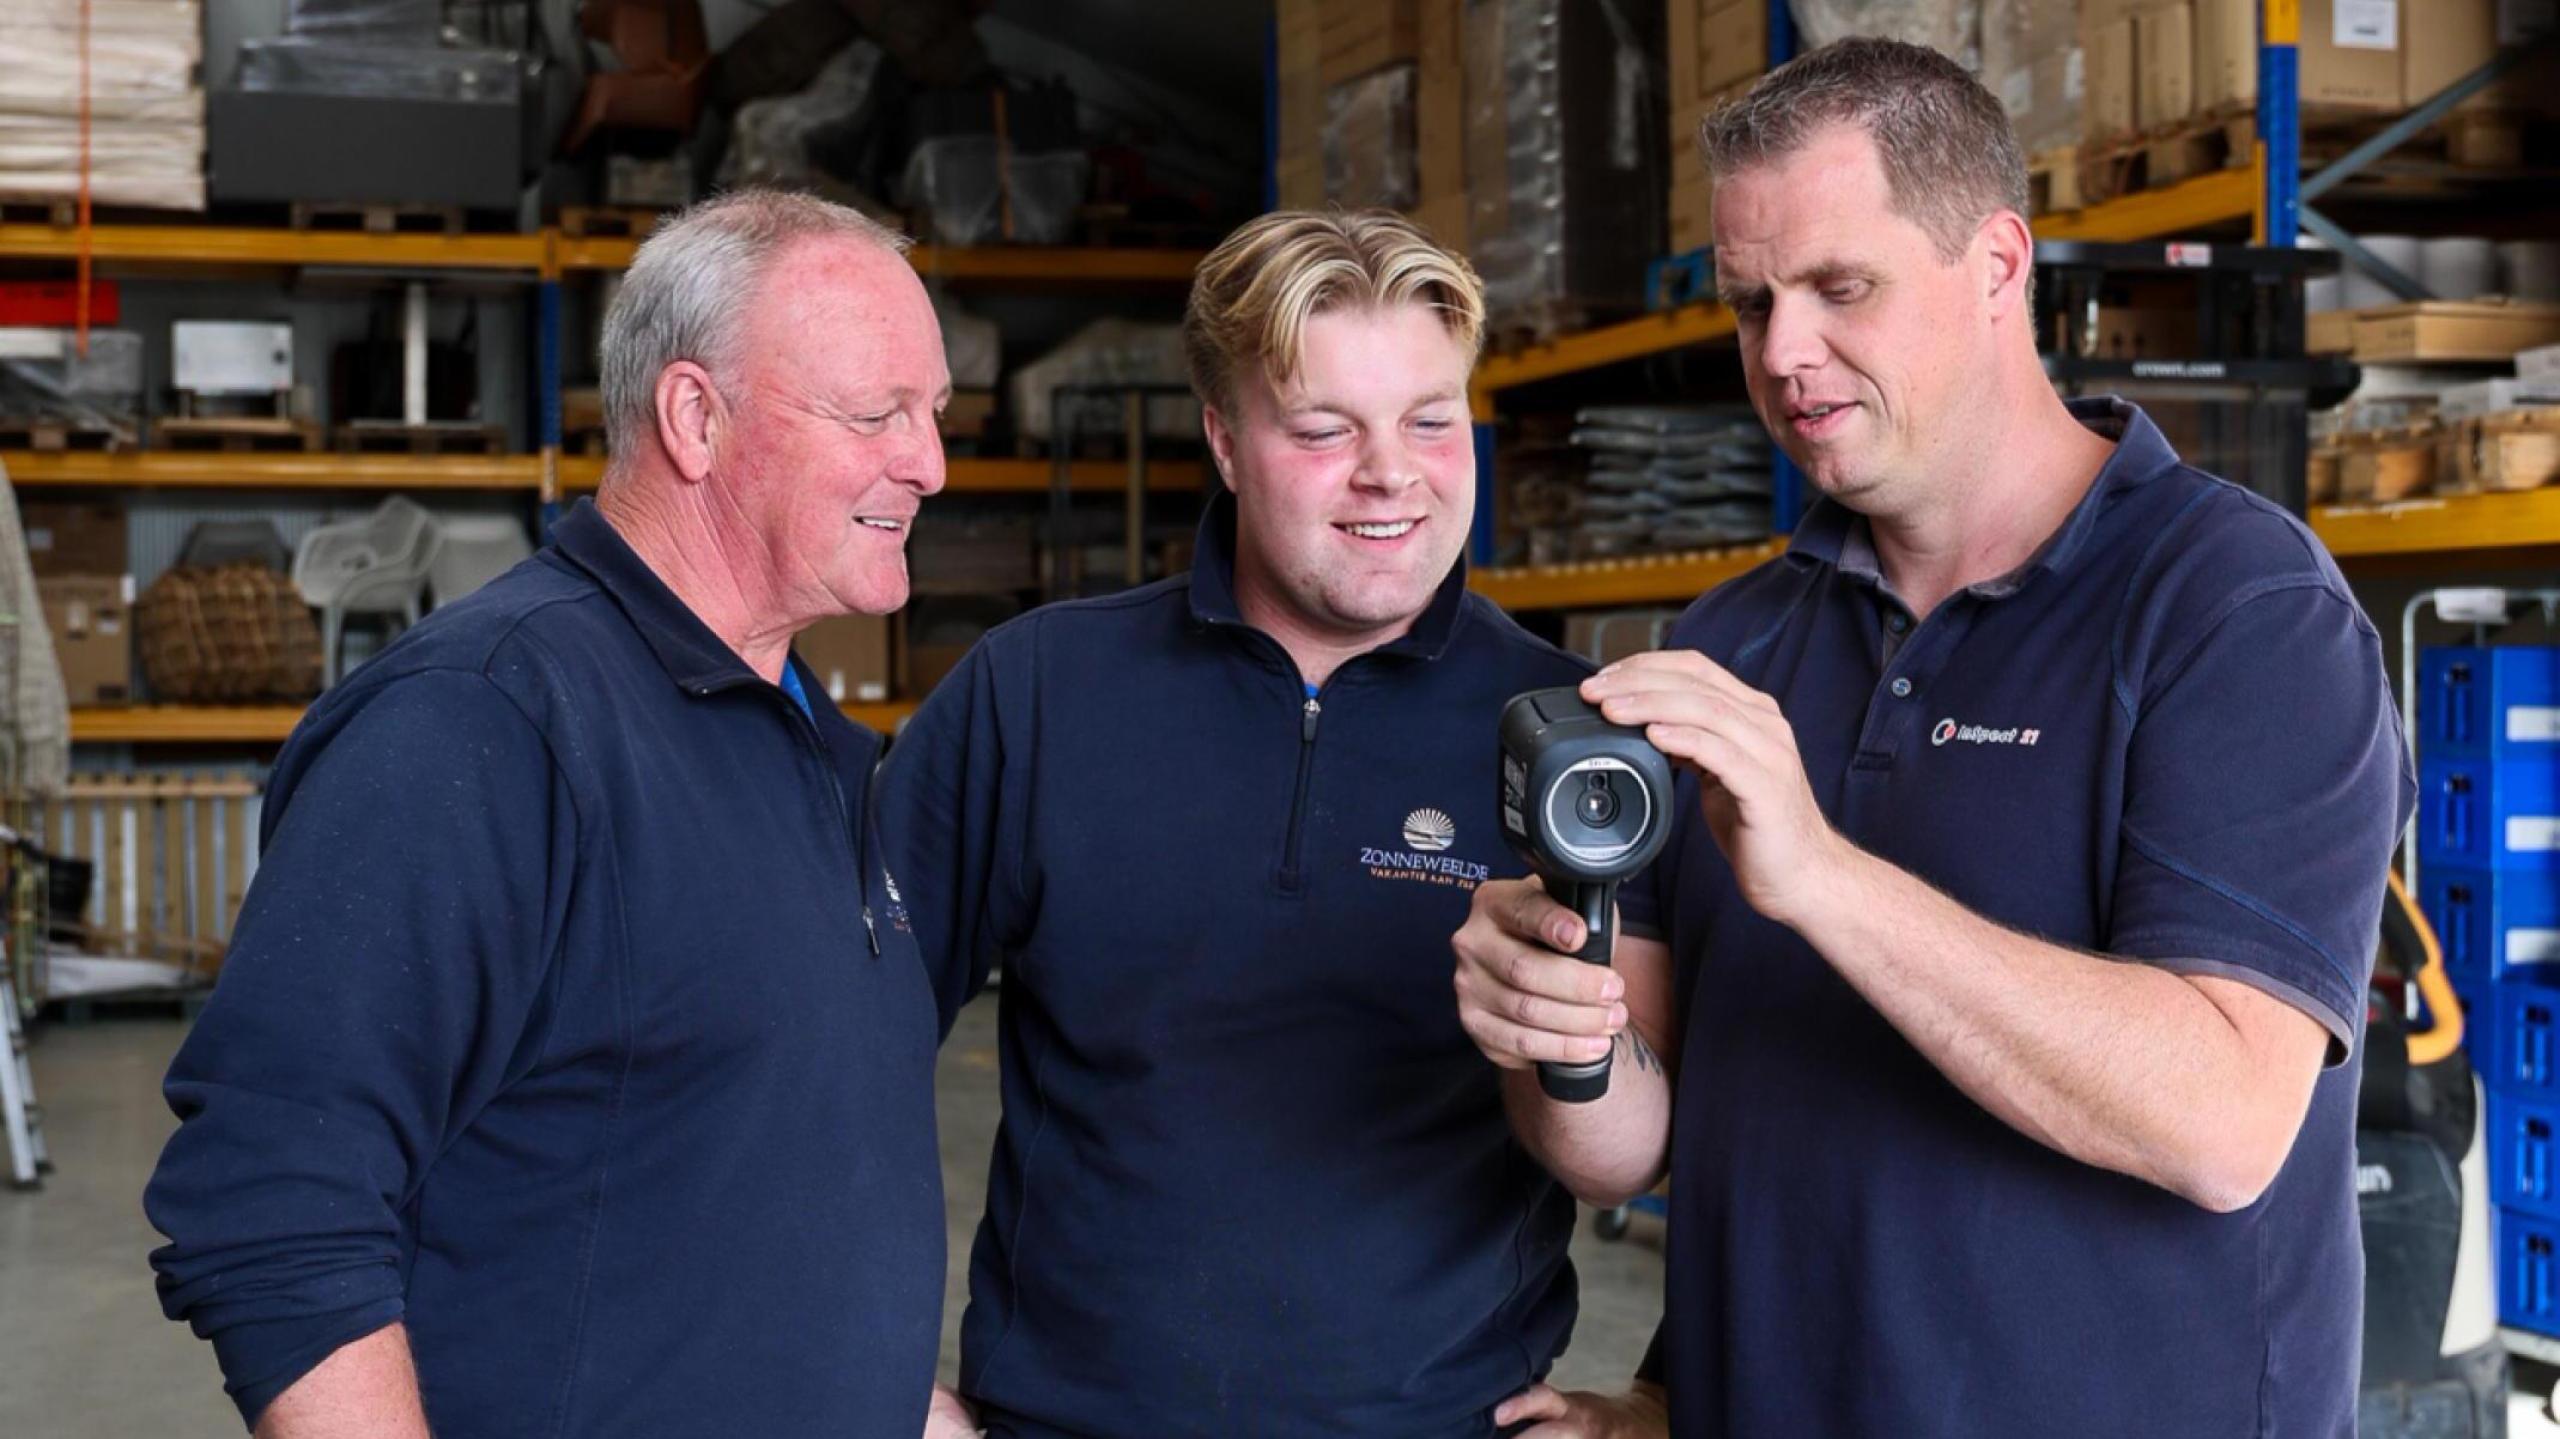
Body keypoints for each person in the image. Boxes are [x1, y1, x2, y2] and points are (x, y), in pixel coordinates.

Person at [1453, 38, 2410, 1438]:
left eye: (1843, 288)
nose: (1783, 352)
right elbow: (1624, 1148)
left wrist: (1822, 876)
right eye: (1751, 302)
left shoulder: (2236, 610)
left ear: (1998, 265)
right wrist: (1548, 1027)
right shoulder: (1724, 647)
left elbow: (2221, 1120)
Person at [144, 189, 954, 1437]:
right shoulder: (483, 723)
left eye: (935, 414)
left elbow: (741, 1184)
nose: (930, 463)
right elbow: (274, 1200)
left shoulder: (813, 744)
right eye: (877, 413)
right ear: (694, 415)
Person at [879, 209, 1594, 1437]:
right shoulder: (1036, 693)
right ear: (1223, 437)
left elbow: (1704, 1120)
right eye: (1324, 429)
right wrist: (868, 1378)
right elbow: (817, 1050)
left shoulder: (1564, 732)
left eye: (1431, 420)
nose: (1392, 472)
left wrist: (1658, 1395)